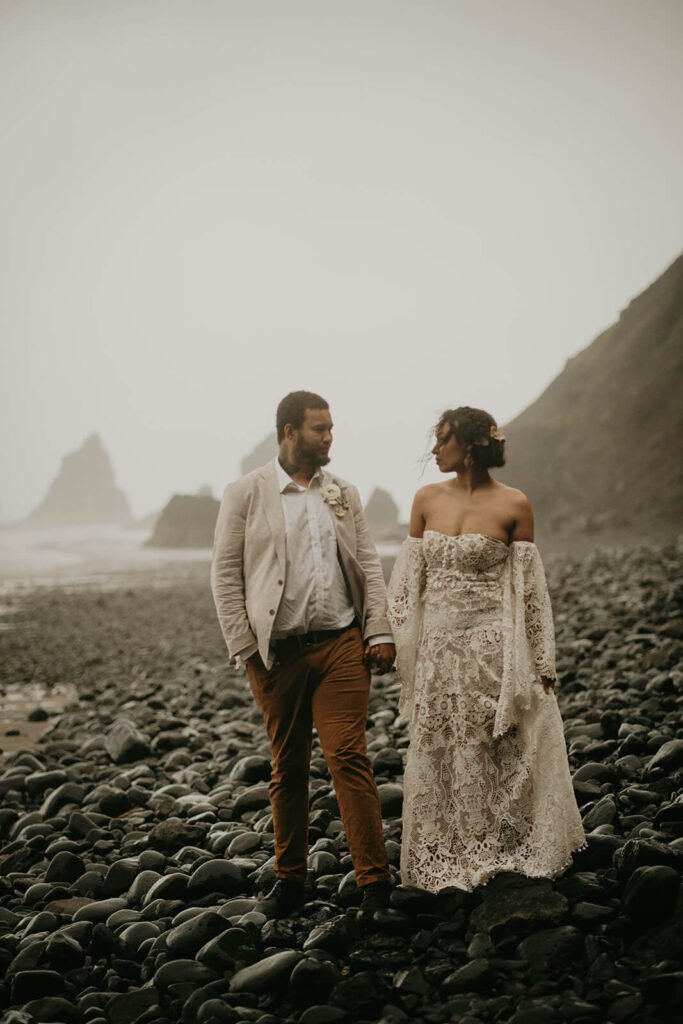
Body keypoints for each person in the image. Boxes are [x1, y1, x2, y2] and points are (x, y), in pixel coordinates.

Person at [211, 390, 395, 917]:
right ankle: (291, 882)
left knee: (348, 757)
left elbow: (367, 563)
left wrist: (378, 631)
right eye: (320, 429)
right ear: (289, 432)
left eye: (332, 427)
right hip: (276, 655)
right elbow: (224, 573)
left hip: (340, 643)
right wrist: (246, 648)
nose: (329, 436)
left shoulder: (342, 492)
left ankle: (375, 885)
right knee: (287, 767)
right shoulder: (245, 493)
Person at [387, 406, 585, 893]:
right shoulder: (425, 499)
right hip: (437, 650)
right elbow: (407, 588)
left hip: (492, 648)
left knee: (498, 747)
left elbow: (530, 592)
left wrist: (540, 662)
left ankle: (502, 846)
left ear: (471, 444)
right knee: (440, 747)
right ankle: (448, 852)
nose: (435, 449)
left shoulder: (514, 504)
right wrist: (386, 641)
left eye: (443, 439)